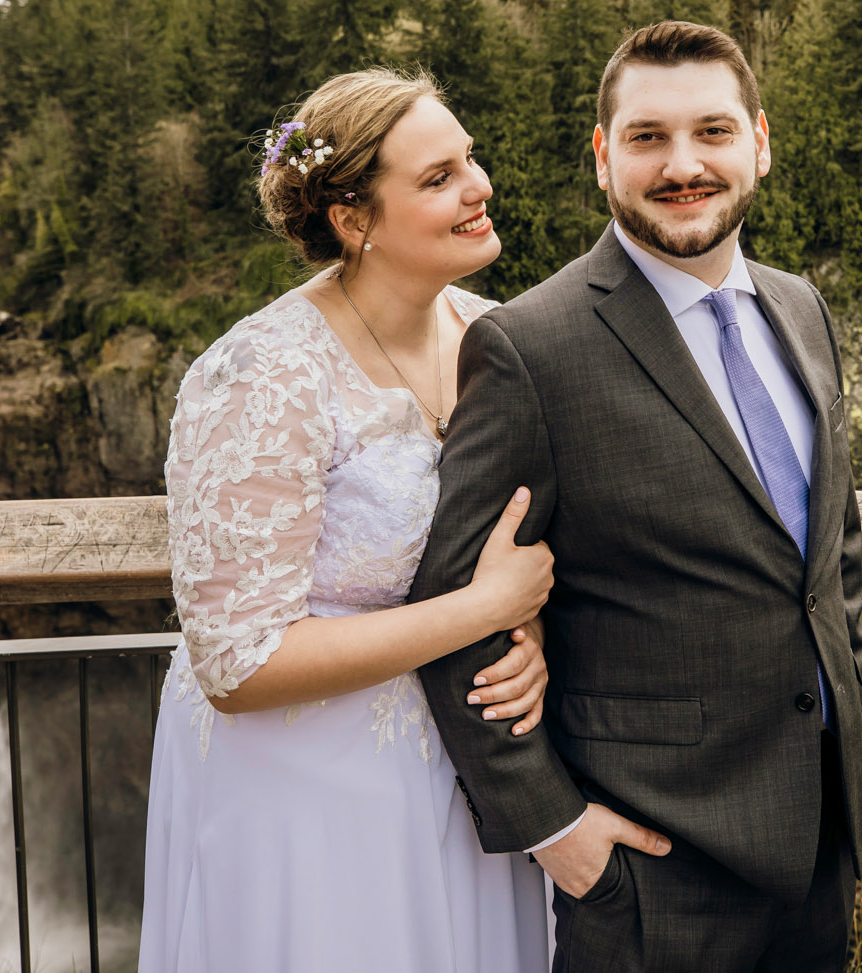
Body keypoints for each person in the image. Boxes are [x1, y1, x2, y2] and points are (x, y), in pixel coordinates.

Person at [411, 21, 862, 973]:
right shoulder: (529, 349)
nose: (683, 165)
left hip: (821, 847)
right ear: (603, 156)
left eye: (712, 131)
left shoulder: (801, 308)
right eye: (648, 137)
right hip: (653, 874)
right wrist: (556, 830)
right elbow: (451, 612)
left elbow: (832, 556)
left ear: (760, 142)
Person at [139, 69, 601, 972]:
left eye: (469, 159)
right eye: (438, 178)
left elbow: (517, 536)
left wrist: (529, 629)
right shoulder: (262, 374)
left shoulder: (493, 337)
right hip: (301, 795)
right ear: (353, 220)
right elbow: (238, 661)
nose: (480, 187)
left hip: (464, 776)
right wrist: (480, 610)